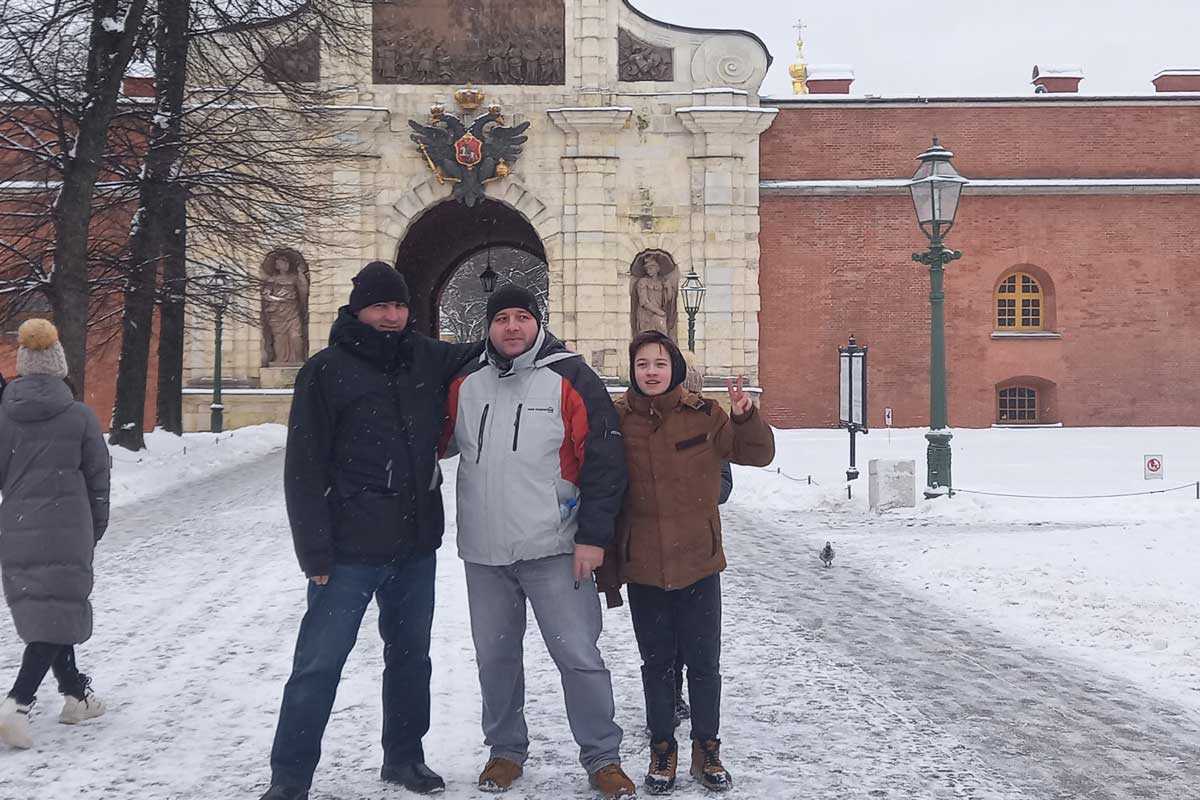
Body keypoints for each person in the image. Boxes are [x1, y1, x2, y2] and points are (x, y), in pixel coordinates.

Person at [260, 262, 484, 800]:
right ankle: (290, 779)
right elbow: (304, 467)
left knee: (411, 658)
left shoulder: (424, 356)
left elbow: (491, 348)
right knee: (318, 665)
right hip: (346, 550)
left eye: (400, 306)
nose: (392, 316)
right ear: (358, 309)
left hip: (414, 544)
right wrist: (313, 551)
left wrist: (532, 333)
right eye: (381, 306)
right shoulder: (325, 370)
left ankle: (404, 758)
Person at [442, 284, 637, 799]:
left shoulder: (570, 377)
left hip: (556, 549)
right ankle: (505, 751)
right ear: (488, 326)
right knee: (495, 659)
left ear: (538, 323)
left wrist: (593, 537)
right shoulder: (466, 383)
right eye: (501, 318)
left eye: (521, 317)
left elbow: (603, 460)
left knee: (578, 656)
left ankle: (602, 756)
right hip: (485, 552)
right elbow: (426, 440)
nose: (511, 327)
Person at [606, 330, 774, 795]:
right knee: (656, 663)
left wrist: (745, 417)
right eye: (643, 364)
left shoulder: (706, 415)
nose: (652, 371)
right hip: (643, 564)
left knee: (704, 663)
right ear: (633, 371)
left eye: (660, 363)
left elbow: (759, 454)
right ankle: (663, 747)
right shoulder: (618, 419)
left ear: (674, 368)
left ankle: (706, 746)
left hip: (698, 562)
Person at [0, 319, 110, 750]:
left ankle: (77, 695)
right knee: (55, 614)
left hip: (17, 528)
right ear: (60, 367)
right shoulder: (81, 416)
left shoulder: (4, 417)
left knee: (48, 612)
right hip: (70, 527)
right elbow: (98, 481)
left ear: (25, 366)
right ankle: (17, 703)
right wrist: (94, 529)